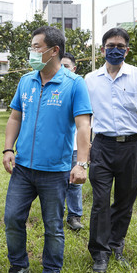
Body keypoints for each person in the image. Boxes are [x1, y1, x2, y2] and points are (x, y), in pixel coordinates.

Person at [1, 26, 92, 273]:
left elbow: (84, 126)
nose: (31, 52)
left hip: (55, 171)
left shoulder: (74, 84)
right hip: (23, 169)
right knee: (12, 218)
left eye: (36, 47)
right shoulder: (26, 81)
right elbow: (15, 117)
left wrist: (82, 163)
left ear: (54, 50)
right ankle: (18, 266)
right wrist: (8, 149)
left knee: (53, 225)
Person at [85, 27, 137, 273]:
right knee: (100, 201)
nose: (114, 50)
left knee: (125, 200)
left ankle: (116, 245)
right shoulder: (90, 79)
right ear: (102, 48)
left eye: (119, 46)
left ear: (127, 49)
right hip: (102, 146)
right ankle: (99, 253)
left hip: (131, 146)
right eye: (110, 46)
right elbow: (84, 117)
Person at [60, 52, 84, 231]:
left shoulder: (78, 87)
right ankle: (56, 213)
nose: (62, 70)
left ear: (74, 69)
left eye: (66, 66)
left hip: (74, 147)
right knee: (57, 182)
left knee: (74, 183)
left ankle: (74, 216)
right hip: (56, 147)